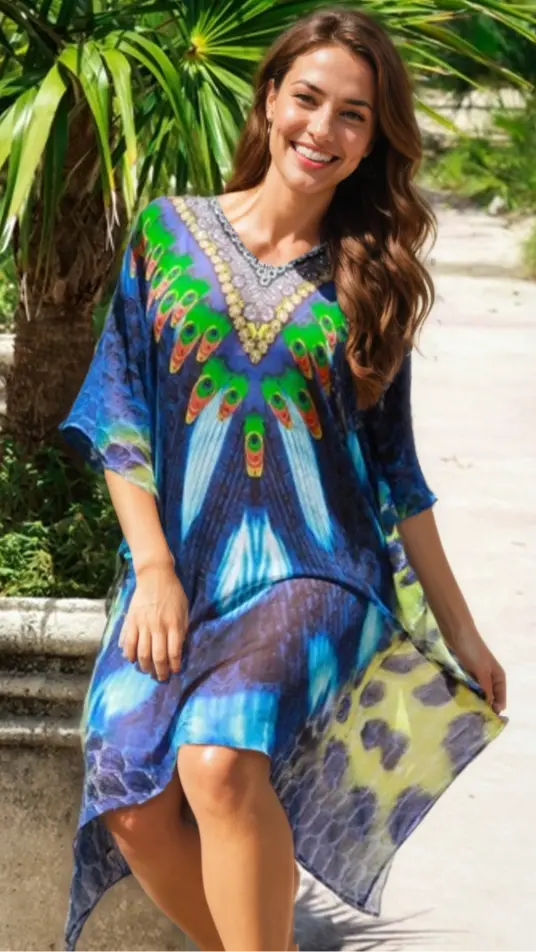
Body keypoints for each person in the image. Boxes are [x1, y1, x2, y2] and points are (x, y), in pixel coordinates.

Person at [59, 7, 507, 952]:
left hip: (319, 569)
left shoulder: (370, 278)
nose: (324, 130)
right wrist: (152, 569)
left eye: (354, 114)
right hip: (180, 572)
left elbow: (398, 474)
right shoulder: (166, 233)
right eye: (308, 99)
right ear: (268, 101)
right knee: (132, 796)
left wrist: (460, 630)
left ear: (373, 138)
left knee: (218, 763)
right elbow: (120, 413)